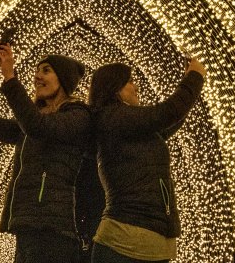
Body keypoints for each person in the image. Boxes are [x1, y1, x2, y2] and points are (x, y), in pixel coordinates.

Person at [0, 41, 93, 263]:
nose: (37, 76)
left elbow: (37, 127)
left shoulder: (78, 116)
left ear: (64, 80)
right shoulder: (32, 120)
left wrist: (10, 77)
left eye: (46, 71)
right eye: (37, 71)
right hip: (28, 224)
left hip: (57, 229)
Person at [87, 57, 207, 263]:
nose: (136, 86)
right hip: (126, 246)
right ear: (114, 88)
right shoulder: (113, 117)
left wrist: (189, 83)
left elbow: (169, 119)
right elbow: (168, 113)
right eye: (130, 81)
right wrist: (194, 77)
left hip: (142, 245)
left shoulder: (128, 127)